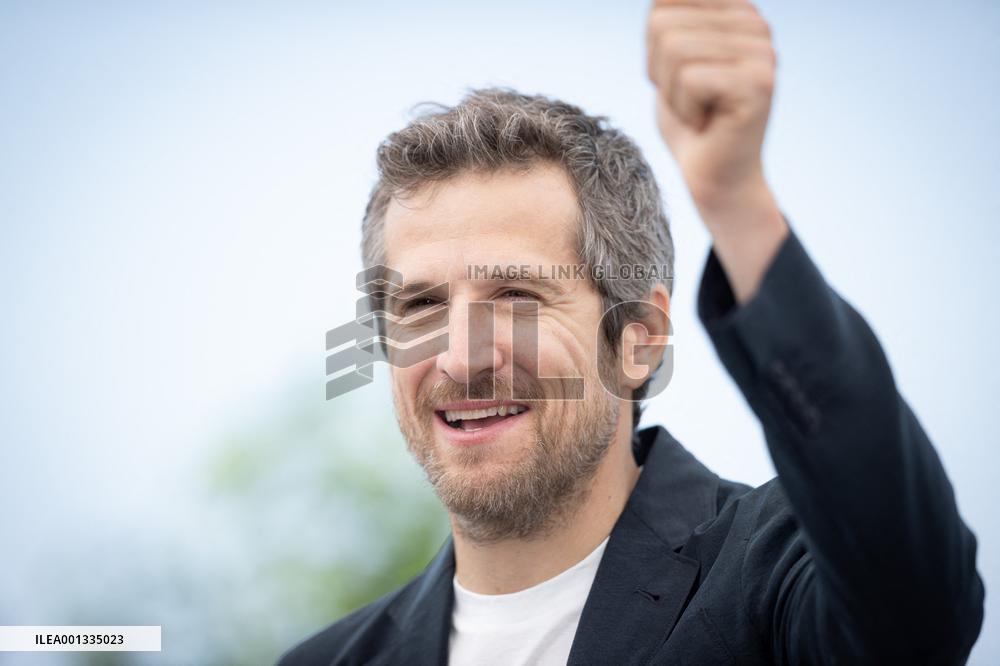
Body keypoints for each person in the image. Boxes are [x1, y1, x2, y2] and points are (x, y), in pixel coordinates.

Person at [281, 1, 984, 663]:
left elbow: (914, 611)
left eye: (518, 296)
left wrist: (736, 200)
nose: (462, 359)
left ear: (639, 339)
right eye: (423, 306)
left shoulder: (774, 576)